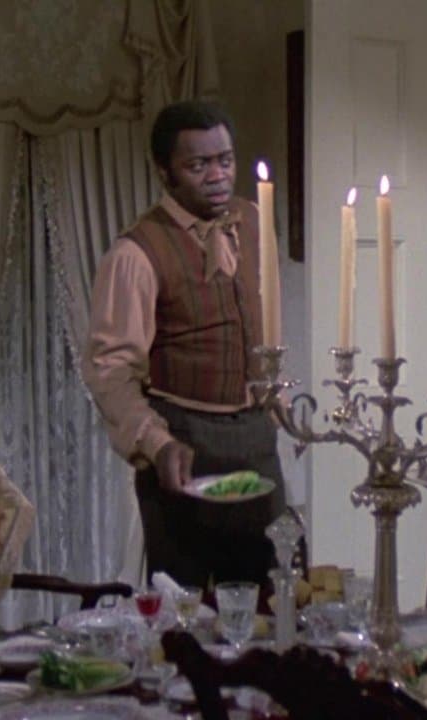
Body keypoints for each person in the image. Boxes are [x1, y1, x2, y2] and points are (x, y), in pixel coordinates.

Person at [83, 99, 285, 590]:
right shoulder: (136, 253)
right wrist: (157, 443)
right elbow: (111, 371)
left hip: (256, 440)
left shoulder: (253, 221)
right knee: (189, 607)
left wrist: (278, 399)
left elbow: (265, 322)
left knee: (275, 592)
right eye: (198, 165)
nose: (218, 176)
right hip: (184, 446)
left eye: (226, 161)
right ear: (165, 173)